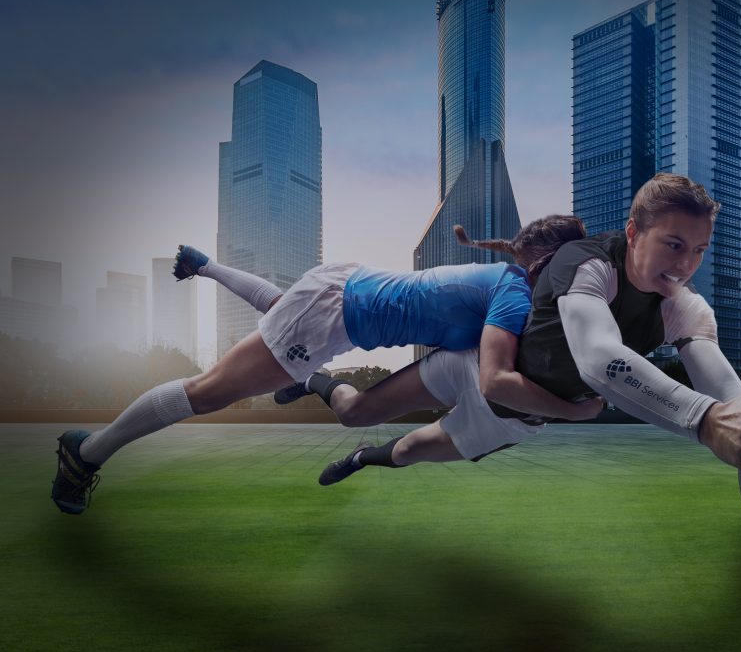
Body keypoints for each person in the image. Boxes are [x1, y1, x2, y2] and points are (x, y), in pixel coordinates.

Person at [316, 173, 741, 507]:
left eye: (698, 250)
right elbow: (598, 359)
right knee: (354, 409)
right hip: (471, 367)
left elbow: (727, 394)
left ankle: (363, 457)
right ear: (633, 233)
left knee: (405, 450)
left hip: (512, 419)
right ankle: (318, 381)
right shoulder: (586, 262)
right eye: (673, 245)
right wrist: (702, 420)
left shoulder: (686, 307)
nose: (686, 264)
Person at [50, 215, 598, 514]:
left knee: (289, 331)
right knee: (210, 391)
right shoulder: (516, 294)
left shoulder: (515, 290)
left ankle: (213, 272)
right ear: (550, 264)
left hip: (340, 292)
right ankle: (86, 452)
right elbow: (495, 375)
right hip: (335, 313)